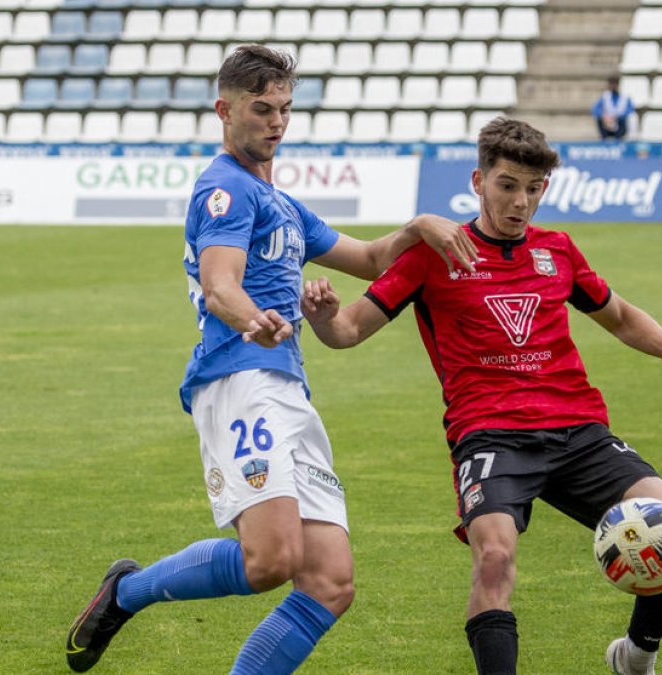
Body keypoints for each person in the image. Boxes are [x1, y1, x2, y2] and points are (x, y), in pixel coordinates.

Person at [64, 44, 479, 674]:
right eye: (263, 109)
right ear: (224, 110)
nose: (277, 122)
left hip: (285, 386)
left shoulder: (281, 202)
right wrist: (254, 321)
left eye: (285, 109)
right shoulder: (224, 188)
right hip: (238, 378)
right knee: (271, 561)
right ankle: (125, 592)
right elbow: (219, 284)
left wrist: (420, 226)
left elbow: (368, 259)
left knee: (330, 582)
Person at [298, 117, 662, 675]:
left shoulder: (558, 251)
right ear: (478, 181)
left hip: (578, 430)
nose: (520, 202)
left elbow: (621, 317)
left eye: (533, 189)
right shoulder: (435, 254)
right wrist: (323, 318)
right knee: (495, 558)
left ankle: (635, 656)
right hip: (490, 435)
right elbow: (349, 331)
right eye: (508, 186)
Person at [591, 76, 634, 142]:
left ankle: (619, 140)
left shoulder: (625, 97)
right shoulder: (605, 97)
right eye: (611, 84)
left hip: (619, 123)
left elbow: (630, 110)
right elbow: (595, 109)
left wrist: (617, 117)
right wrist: (604, 117)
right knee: (600, 121)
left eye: (615, 84)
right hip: (607, 123)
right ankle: (604, 140)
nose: (613, 86)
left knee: (622, 121)